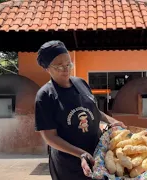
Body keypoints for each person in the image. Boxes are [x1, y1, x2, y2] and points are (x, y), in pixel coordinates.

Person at [34, 40, 127, 180]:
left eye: (68, 64)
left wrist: (113, 121)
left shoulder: (81, 83)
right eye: (59, 66)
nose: (65, 69)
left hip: (96, 154)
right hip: (68, 164)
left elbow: (93, 111)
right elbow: (50, 137)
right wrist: (80, 154)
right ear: (47, 68)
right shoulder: (45, 96)